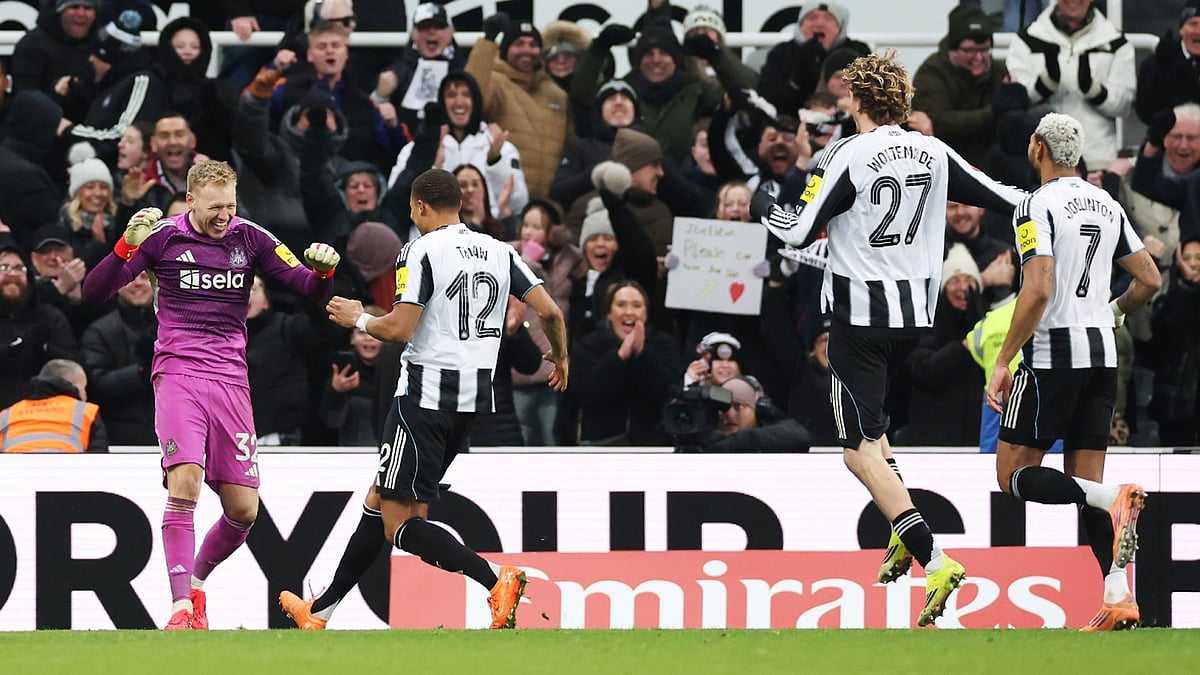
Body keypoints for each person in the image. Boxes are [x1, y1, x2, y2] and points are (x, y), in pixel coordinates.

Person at [750, 51, 1027, 627]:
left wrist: (766, 206)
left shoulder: (844, 155)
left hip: (859, 324)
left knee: (854, 450)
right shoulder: (932, 149)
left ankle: (935, 556)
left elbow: (798, 230)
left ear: (857, 100)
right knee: (876, 437)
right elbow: (1002, 196)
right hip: (913, 324)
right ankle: (902, 532)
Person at [282, 168, 569, 630]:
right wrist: (560, 355)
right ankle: (321, 612)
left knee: (401, 527)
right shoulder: (501, 252)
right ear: (458, 204)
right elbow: (550, 311)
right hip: (471, 401)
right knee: (380, 498)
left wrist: (359, 318)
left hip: (423, 396)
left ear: (418, 206)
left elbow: (398, 328)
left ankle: (496, 581)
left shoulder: (418, 250)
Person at [80, 160, 343, 630]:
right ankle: (180, 610)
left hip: (231, 381)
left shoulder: (252, 238)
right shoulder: (163, 238)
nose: (224, 215)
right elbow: (94, 291)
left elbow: (304, 283)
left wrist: (323, 273)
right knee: (186, 482)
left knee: (244, 510)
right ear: (191, 200)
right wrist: (125, 246)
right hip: (178, 372)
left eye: (231, 205)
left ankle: (196, 585)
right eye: (215, 206)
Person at [986, 112, 1163, 631]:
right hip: (1102, 356)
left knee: (1012, 477)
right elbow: (1149, 277)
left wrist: (1002, 361)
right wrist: (1116, 310)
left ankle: (1114, 498)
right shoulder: (1106, 202)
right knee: (1083, 485)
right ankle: (1119, 597)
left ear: (1036, 147)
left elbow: (1038, 288)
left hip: (1051, 356)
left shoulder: (1034, 204)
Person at [1004, 0, 1135, 167]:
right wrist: (1045, 84)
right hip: (1043, 162)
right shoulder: (1027, 40)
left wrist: (1094, 91)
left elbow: (1125, 105)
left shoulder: (1116, 42)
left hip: (1098, 162)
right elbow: (1016, 100)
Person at [0, 358, 106, 453]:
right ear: (72, 385)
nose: (86, 395)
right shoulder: (86, 412)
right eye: (84, 388)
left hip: (16, 472)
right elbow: (97, 459)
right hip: (67, 472)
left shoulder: (6, 415)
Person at [693, 375, 812, 453]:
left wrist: (737, 442)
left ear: (758, 408)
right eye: (722, 407)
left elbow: (801, 436)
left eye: (738, 406)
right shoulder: (709, 437)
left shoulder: (776, 437)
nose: (729, 414)